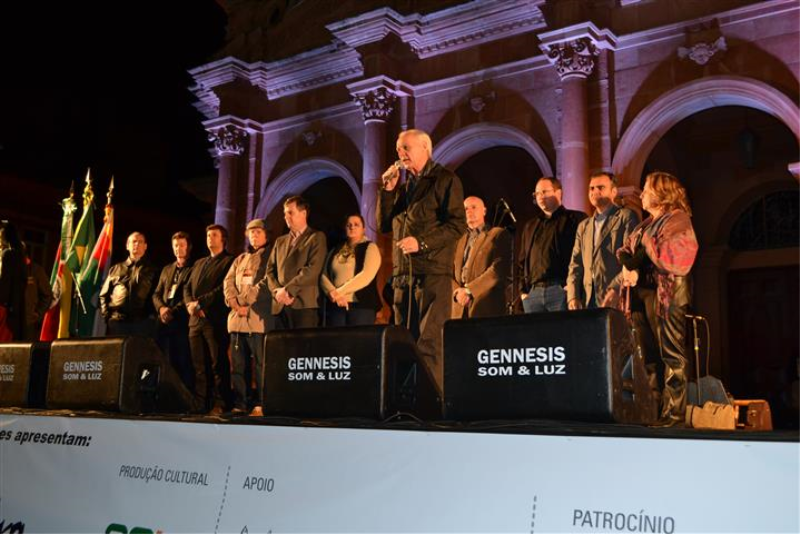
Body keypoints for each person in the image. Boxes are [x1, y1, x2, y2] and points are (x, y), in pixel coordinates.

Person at [377, 129, 466, 393]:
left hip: (433, 273)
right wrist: (388, 192)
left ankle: (432, 401)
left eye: (405, 148)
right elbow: (382, 225)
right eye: (398, 150)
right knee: (404, 343)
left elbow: (457, 225)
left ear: (425, 148)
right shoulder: (403, 189)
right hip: (404, 276)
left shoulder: (445, 180)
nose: (400, 154)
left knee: (429, 343)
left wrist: (422, 242)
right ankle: (408, 400)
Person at [617, 171, 698, 427]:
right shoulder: (646, 224)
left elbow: (676, 255)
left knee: (671, 354)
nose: (641, 194)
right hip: (642, 293)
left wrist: (644, 248)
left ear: (662, 195)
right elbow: (629, 251)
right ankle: (652, 411)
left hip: (667, 294)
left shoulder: (677, 219)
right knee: (648, 355)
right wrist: (630, 258)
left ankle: (674, 414)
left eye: (647, 189)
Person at [567, 171, 639, 310]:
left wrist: (617, 288)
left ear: (613, 192)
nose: (594, 191)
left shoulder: (625, 216)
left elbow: (631, 257)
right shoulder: (584, 226)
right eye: (591, 188)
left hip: (616, 295)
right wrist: (573, 296)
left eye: (601, 187)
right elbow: (575, 263)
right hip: (588, 298)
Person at [224, 219, 273, 417]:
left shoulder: (270, 256)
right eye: (251, 232)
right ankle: (240, 403)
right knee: (238, 365)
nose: (254, 236)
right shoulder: (240, 258)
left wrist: (245, 301)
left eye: (258, 232)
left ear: (266, 234)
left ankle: (261, 403)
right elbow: (228, 282)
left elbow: (266, 282)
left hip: (257, 319)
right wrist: (234, 302)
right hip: (237, 318)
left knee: (261, 364)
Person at [184, 224, 235, 415]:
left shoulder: (230, 261)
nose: (209, 238)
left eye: (214, 235)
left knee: (217, 363)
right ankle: (200, 402)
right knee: (198, 365)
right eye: (207, 235)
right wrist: (190, 304)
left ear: (223, 239)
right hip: (195, 320)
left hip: (214, 319)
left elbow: (223, 288)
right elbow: (187, 287)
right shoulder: (199, 263)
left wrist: (201, 304)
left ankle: (221, 402)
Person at [518, 177, 587, 313]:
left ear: (558, 193)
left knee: (561, 333)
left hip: (561, 290)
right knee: (534, 334)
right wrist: (523, 292)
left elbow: (582, 255)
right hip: (533, 294)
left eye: (545, 192)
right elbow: (522, 261)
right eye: (537, 193)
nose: (540, 197)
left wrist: (571, 287)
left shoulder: (575, 219)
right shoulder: (530, 226)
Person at [265, 196, 327, 330]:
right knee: (280, 349)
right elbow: (270, 270)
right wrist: (277, 292)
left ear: (303, 213)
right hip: (279, 305)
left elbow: (313, 269)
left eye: (290, 212)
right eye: (285, 213)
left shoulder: (316, 237)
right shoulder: (280, 241)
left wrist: (288, 290)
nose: (286, 216)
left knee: (302, 349)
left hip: (302, 303)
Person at [452, 196, 511, 319]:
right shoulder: (458, 240)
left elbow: (498, 270)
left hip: (485, 306)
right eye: (466, 208)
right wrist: (458, 293)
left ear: (484, 211)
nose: (469, 211)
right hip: (459, 309)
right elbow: (448, 269)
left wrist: (469, 291)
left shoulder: (497, 234)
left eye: (474, 207)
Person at [321, 214, 382, 326]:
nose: (352, 227)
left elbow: (366, 276)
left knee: (358, 343)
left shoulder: (370, 247)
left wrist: (339, 292)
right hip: (336, 305)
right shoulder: (335, 249)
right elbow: (323, 275)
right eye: (349, 225)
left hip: (361, 307)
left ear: (363, 229)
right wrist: (332, 293)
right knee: (338, 342)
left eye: (356, 225)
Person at [152, 231, 194, 389]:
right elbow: (156, 293)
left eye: (182, 245)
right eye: (176, 246)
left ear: (188, 247)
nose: (178, 248)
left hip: (181, 322)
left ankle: (183, 396)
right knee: (162, 359)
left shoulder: (193, 268)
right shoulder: (167, 269)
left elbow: (190, 295)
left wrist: (172, 312)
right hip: (162, 322)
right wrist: (162, 308)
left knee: (182, 361)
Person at [99, 232, 159, 337]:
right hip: (117, 322)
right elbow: (104, 295)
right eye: (134, 241)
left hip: (142, 323)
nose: (137, 244)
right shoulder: (115, 269)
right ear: (127, 246)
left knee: (138, 352)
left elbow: (157, 294)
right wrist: (107, 317)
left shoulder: (153, 270)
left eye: (140, 242)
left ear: (145, 246)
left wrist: (151, 317)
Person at [0, 220, 27, 341]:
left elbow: (5, 282)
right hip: (15, 309)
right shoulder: (20, 256)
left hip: (4, 309)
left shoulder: (7, 255)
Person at [22, 243, 53, 341]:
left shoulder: (36, 270)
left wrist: (37, 314)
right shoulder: (11, 270)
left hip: (28, 323)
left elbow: (47, 295)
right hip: (11, 322)